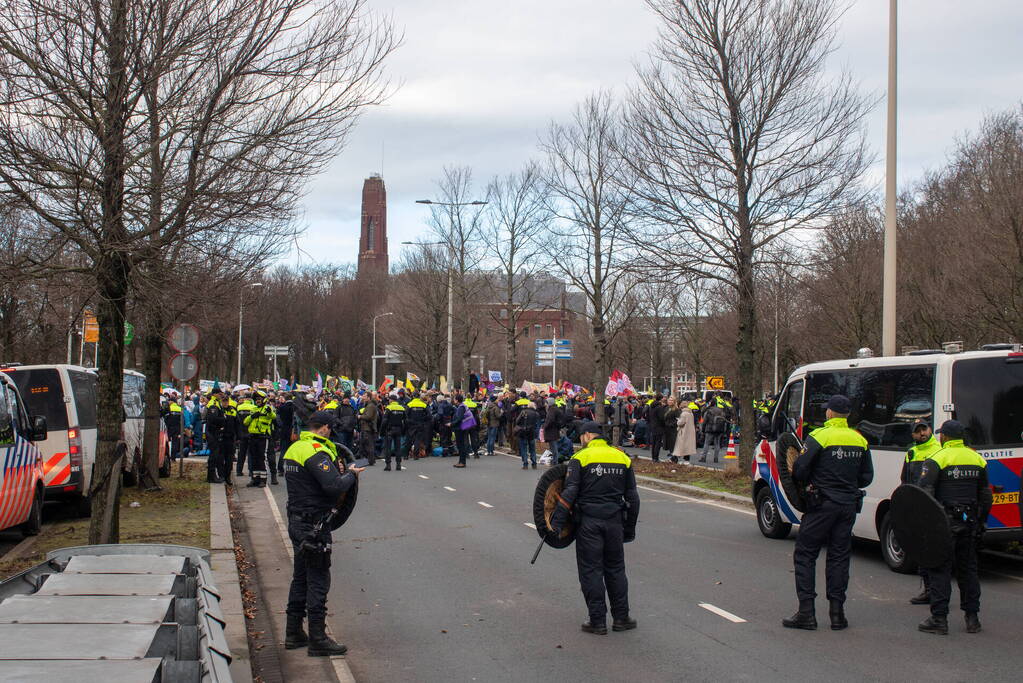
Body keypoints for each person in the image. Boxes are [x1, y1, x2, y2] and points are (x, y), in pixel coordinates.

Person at [783, 395, 873, 631]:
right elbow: (867, 477)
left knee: (805, 554)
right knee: (839, 557)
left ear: (831, 413)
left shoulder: (819, 437)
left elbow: (800, 471)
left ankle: (806, 613)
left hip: (821, 505)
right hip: (848, 506)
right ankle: (837, 614)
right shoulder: (859, 439)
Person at [283, 411, 364, 656]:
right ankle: (318, 638)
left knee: (301, 577)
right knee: (318, 580)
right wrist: (351, 474)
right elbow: (333, 486)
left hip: (297, 521)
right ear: (325, 428)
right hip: (314, 526)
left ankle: (293, 632)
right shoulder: (316, 452)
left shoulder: (294, 448)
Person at [550, 421, 640, 635]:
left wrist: (555, 524)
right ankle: (621, 618)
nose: (581, 440)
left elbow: (570, 492)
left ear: (588, 436)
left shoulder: (580, 458)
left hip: (589, 522)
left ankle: (597, 621)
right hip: (615, 521)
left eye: (581, 437)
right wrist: (630, 528)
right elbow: (633, 498)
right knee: (616, 569)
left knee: (591, 570)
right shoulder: (622, 457)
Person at [916, 420, 991, 636]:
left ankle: (939, 619)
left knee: (940, 569)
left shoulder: (937, 459)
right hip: (969, 523)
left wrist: (927, 524)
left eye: (941, 435)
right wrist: (980, 521)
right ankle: (973, 618)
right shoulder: (977, 459)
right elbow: (986, 496)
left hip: (944, 524)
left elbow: (924, 494)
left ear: (945, 437)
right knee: (968, 570)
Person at [902, 420, 942, 605]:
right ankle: (928, 590)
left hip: (934, 507)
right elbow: (905, 480)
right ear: (913, 435)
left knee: (935, 552)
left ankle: (938, 592)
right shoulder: (911, 453)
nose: (922, 433)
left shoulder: (939, 449)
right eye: (918, 431)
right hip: (917, 508)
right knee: (921, 552)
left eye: (924, 429)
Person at [243, 391, 276, 487]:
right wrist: (252, 416)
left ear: (264, 400)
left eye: (259, 399)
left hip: (263, 437)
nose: (257, 401)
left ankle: (263, 479)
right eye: (256, 399)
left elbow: (273, 417)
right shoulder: (253, 409)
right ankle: (254, 479)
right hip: (253, 436)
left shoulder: (268, 408)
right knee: (254, 458)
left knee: (262, 458)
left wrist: (270, 412)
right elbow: (245, 422)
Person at [380, 394, 407, 472]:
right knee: (398, 448)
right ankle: (398, 465)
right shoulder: (402, 408)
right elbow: (405, 421)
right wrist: (404, 431)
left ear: (391, 400)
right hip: (399, 430)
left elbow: (384, 421)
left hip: (389, 430)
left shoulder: (389, 408)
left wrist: (382, 431)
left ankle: (388, 465)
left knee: (388, 448)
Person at [405, 392, 431, 460]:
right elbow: (429, 416)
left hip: (411, 425)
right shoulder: (423, 405)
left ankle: (406, 455)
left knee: (409, 439)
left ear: (413, 396)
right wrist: (423, 419)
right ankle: (416, 455)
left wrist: (408, 422)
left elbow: (405, 415)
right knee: (417, 440)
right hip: (420, 424)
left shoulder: (409, 404)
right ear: (419, 397)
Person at [515, 400, 540, 469]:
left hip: (523, 432)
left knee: (523, 448)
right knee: (532, 449)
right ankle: (534, 463)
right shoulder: (536, 414)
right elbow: (537, 425)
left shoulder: (523, 412)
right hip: (532, 433)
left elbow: (517, 421)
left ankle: (525, 463)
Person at [357, 392, 379, 466]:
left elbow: (368, 416)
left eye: (365, 396)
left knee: (369, 445)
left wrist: (360, 416)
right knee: (366, 444)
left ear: (369, 397)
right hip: (367, 427)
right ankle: (368, 460)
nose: (363, 397)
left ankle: (371, 460)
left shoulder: (370, 406)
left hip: (368, 428)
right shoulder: (369, 405)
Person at [451, 395, 470, 468]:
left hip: (460, 428)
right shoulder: (461, 406)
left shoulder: (461, 407)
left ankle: (462, 462)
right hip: (461, 428)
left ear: (457, 400)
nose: (454, 400)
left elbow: (459, 418)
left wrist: (452, 424)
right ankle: (460, 461)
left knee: (461, 445)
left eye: (454, 399)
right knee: (460, 445)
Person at [647, 396, 666, 462]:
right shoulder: (659, 407)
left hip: (653, 426)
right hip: (659, 427)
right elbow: (662, 418)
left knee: (654, 443)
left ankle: (653, 457)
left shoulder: (651, 406)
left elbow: (648, 416)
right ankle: (656, 458)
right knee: (658, 443)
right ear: (661, 399)